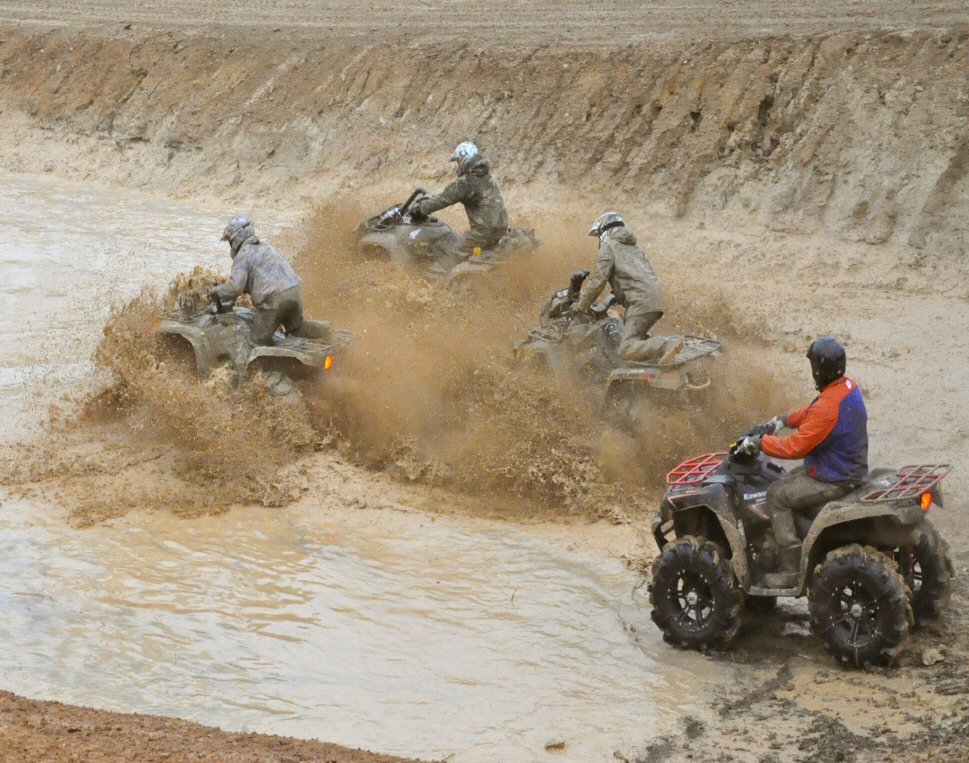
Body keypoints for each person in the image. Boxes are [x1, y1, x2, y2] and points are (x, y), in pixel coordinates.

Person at [739, 336, 869, 587]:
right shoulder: (847, 387)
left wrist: (760, 442)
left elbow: (795, 446)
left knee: (777, 494)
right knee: (789, 479)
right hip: (845, 467)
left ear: (819, 370)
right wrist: (784, 420)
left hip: (835, 477)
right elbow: (814, 413)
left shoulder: (827, 408)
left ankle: (790, 570)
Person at [569, 212, 684, 364]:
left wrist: (580, 306)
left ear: (605, 230)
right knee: (636, 338)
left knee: (626, 348)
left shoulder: (609, 246)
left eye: (598, 235)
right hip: (653, 299)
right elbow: (635, 276)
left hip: (640, 303)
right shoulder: (634, 248)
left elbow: (597, 282)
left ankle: (667, 345)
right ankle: (666, 350)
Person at [208, 215, 327, 345]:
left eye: (230, 241)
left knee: (256, 342)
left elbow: (236, 287)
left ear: (236, 238)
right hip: (294, 291)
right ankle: (327, 330)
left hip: (274, 299)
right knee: (297, 329)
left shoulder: (242, 255)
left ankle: (263, 365)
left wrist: (216, 291)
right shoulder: (265, 247)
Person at [409, 141, 508, 259]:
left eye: (458, 161)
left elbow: (442, 199)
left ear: (463, 160)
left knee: (450, 257)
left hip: (482, 234)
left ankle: (438, 277)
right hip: (500, 229)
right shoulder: (488, 177)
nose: (458, 165)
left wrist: (419, 209)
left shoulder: (466, 182)